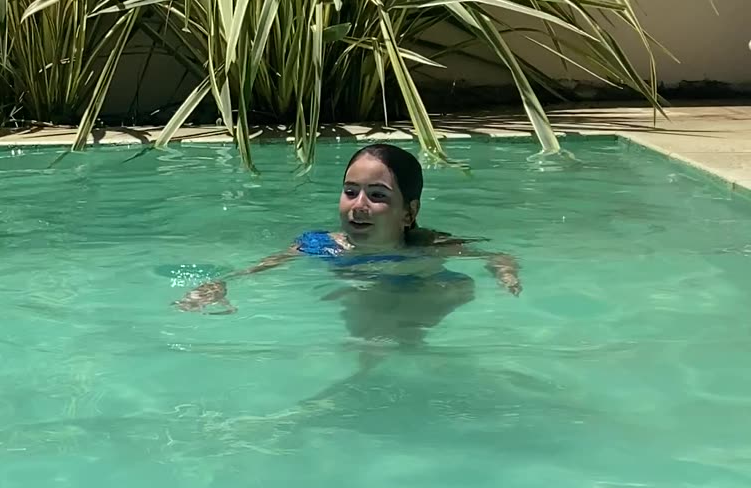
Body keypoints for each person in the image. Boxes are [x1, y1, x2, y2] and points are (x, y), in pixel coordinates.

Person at [174, 143, 522, 395]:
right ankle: (380, 365)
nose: (359, 205)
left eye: (377, 195)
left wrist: (504, 273)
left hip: (425, 291)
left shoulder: (429, 245)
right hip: (371, 301)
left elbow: (496, 255)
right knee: (367, 306)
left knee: (432, 293)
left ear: (408, 212)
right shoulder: (321, 244)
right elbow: (256, 269)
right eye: (350, 191)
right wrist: (219, 285)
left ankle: (382, 362)